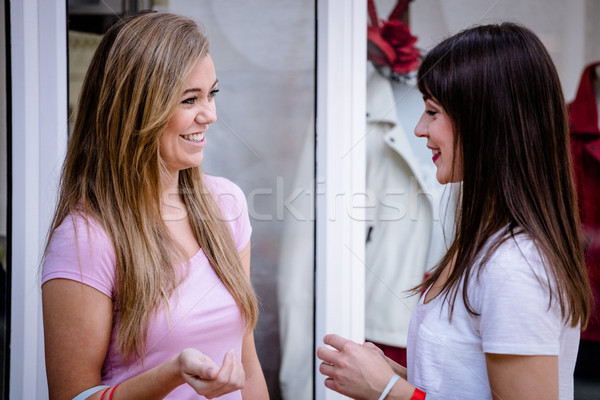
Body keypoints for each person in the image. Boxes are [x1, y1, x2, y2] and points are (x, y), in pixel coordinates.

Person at [317, 22, 593, 400]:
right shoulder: (487, 244)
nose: (419, 128)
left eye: (432, 112)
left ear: (487, 122)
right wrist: (392, 374)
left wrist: (388, 391)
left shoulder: (516, 267)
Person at [41, 12, 268, 400]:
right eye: (189, 99)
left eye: (212, 94)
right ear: (136, 110)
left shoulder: (226, 205)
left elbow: (247, 361)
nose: (210, 115)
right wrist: (171, 375)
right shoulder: (86, 239)